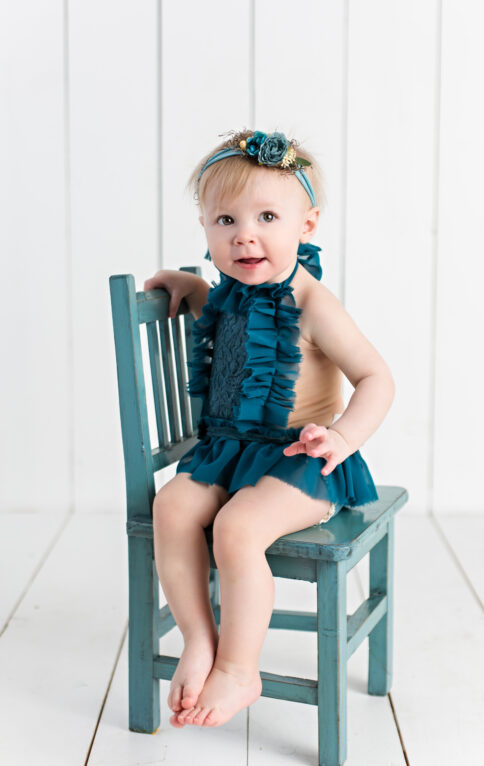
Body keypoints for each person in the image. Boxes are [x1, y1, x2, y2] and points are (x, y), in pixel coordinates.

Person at [143, 130, 394, 726]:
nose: (244, 234)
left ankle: (238, 667)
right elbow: (223, 315)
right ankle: (199, 638)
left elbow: (377, 378)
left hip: (304, 461)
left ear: (306, 225)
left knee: (236, 528)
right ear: (205, 228)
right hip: (228, 454)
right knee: (172, 508)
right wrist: (193, 287)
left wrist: (341, 437)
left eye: (267, 217)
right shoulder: (228, 293)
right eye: (225, 219)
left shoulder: (313, 304)